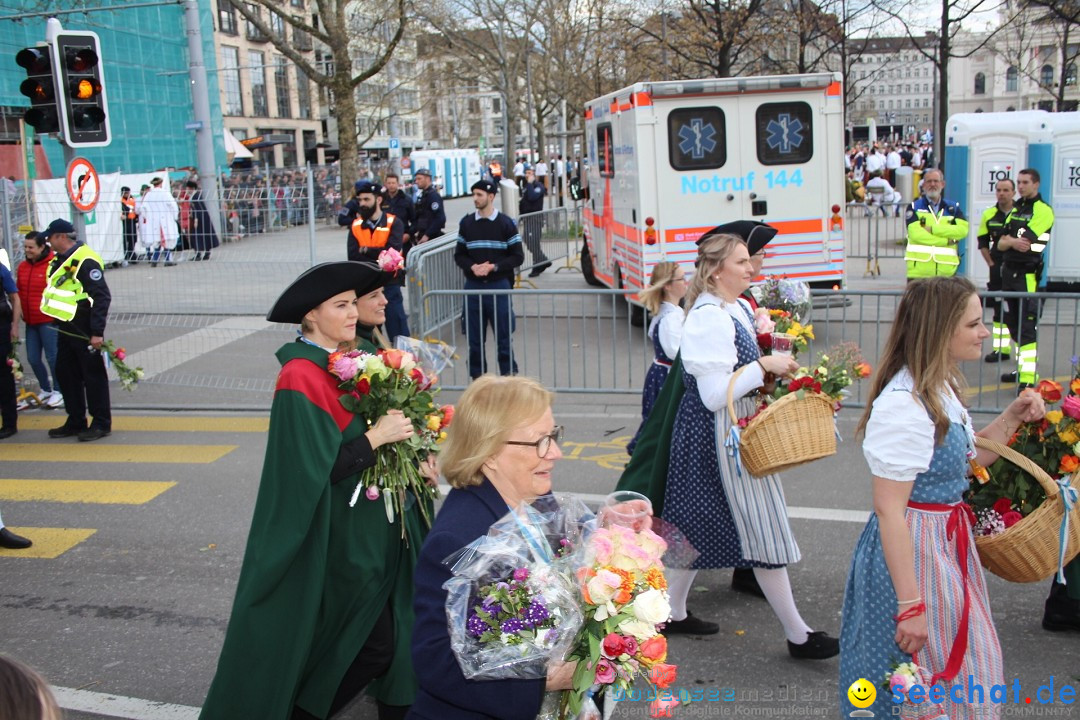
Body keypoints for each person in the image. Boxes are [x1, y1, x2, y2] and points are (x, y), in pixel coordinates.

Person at [200, 261, 431, 720]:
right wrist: (375, 438)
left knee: (361, 641)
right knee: (367, 647)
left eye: (352, 303)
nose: (353, 313)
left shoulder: (354, 357)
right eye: (341, 305)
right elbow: (310, 472)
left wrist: (415, 453)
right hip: (337, 540)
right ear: (311, 316)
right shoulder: (299, 377)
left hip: (373, 532)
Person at [839, 276, 1045, 719]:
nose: (985, 332)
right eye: (973, 324)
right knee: (922, 675)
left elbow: (967, 459)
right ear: (940, 330)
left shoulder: (938, 388)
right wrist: (911, 606)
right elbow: (890, 509)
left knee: (961, 666)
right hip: (916, 550)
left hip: (943, 545)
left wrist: (1011, 417)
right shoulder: (904, 405)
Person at [654, 233, 838, 658]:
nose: (751, 268)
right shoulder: (707, 318)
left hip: (726, 434)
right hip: (716, 439)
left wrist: (768, 372)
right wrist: (762, 365)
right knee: (762, 527)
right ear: (717, 270)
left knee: (693, 531)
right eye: (741, 262)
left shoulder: (733, 307)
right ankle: (799, 635)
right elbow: (714, 395)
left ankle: (669, 614)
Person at [407, 375, 576, 720]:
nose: (556, 452)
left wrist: (613, 530)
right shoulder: (459, 538)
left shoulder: (536, 500)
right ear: (491, 453)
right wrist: (543, 681)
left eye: (554, 435)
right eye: (540, 441)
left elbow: (569, 561)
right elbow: (437, 660)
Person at [37, 220, 112, 442]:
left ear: (61, 237)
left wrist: (97, 332)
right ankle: (76, 420)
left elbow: (102, 297)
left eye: (50, 237)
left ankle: (100, 423)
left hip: (85, 327)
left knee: (92, 376)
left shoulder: (85, 260)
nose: (48, 241)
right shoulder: (61, 260)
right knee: (66, 374)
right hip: (67, 327)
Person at [454, 180, 524, 379]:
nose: (475, 199)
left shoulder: (505, 223)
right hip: (473, 287)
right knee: (474, 339)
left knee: (503, 337)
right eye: (473, 194)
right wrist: (472, 267)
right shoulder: (466, 223)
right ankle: (478, 379)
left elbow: (517, 256)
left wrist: (494, 267)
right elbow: (459, 254)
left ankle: (509, 376)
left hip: (498, 285)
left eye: (479, 195)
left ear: (491, 196)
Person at [997, 168, 1054, 389]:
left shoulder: (1043, 210)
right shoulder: (1016, 208)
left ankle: (1028, 378)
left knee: (1027, 328)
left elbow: (1025, 243)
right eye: (1018, 182)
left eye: (1025, 182)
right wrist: (1011, 241)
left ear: (1036, 184)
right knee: (1013, 325)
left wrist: (1010, 241)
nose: (1020, 187)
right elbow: (1000, 243)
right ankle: (1021, 369)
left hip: (1027, 276)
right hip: (1008, 274)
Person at [626, 261, 686, 456]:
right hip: (665, 377)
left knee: (661, 425)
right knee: (659, 426)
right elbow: (676, 353)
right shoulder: (669, 318)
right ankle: (642, 465)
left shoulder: (672, 312)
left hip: (664, 374)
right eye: (682, 279)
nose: (686, 282)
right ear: (667, 285)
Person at [342, 181, 409, 341]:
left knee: (398, 332)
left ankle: (405, 362)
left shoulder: (394, 223)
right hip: (367, 286)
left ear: (378, 200)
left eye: (366, 199)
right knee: (369, 335)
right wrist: (380, 255)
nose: (362, 204)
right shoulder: (356, 225)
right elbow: (353, 256)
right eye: (360, 200)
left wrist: (366, 250)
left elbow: (392, 253)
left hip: (390, 282)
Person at [15, 232, 62, 410]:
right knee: (33, 358)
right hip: (30, 321)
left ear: (42, 247)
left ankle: (59, 390)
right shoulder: (23, 267)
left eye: (31, 247)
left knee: (52, 357)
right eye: (25, 247)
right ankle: (46, 388)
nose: (27, 250)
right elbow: (18, 291)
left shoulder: (52, 265)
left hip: (47, 320)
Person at [976, 178, 1016, 364]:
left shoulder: (1021, 213)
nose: (1002, 193)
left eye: (1006, 190)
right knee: (999, 309)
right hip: (997, 269)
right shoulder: (989, 214)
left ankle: (1021, 349)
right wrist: (991, 264)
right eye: (999, 190)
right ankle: (1001, 349)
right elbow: (983, 242)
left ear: (1013, 193)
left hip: (1019, 269)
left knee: (1020, 311)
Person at [904, 169, 968, 280]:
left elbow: (962, 231)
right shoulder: (914, 207)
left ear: (942, 184)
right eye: (929, 181)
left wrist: (933, 229)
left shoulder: (953, 208)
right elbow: (916, 234)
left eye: (936, 181)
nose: (932, 184)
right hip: (919, 273)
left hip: (946, 272)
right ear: (923, 185)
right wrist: (946, 241)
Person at [137, 177, 180, 267]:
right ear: (161, 183)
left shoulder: (149, 195)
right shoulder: (165, 193)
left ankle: (155, 260)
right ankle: (168, 260)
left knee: (157, 241)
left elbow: (143, 208)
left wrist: (147, 218)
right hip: (166, 220)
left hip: (154, 221)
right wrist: (174, 216)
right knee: (167, 240)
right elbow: (173, 205)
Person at [0, 260, 21, 440]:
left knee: (4, 377)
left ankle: (9, 423)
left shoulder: (1, 269)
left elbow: (14, 297)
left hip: (1, 326)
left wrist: (14, 325)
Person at [518, 166, 551, 278]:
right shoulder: (526, 186)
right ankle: (542, 260)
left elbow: (532, 197)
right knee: (528, 240)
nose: (528, 175)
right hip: (528, 219)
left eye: (530, 173)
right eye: (527, 173)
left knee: (533, 242)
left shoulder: (538, 186)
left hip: (535, 219)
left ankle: (538, 265)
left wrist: (530, 183)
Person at [186, 180, 220, 262]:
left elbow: (199, 209)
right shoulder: (194, 196)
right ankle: (200, 253)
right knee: (198, 236)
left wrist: (196, 219)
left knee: (199, 236)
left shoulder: (196, 196)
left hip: (200, 219)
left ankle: (202, 253)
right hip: (198, 218)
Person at [411, 168, 445, 248]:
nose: (416, 182)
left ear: (428, 179)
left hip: (432, 238)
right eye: (416, 179)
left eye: (419, 179)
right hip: (423, 235)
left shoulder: (433, 196)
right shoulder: (423, 195)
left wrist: (427, 235)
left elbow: (440, 218)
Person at [384, 173, 416, 254]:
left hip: (403, 239)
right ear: (385, 184)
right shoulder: (381, 200)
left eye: (393, 183)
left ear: (398, 184)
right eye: (389, 183)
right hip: (385, 239)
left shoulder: (406, 200)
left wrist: (409, 234)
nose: (391, 185)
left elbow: (414, 220)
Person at [120, 186, 138, 266]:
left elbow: (135, 209)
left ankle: (132, 255)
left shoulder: (132, 199)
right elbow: (126, 209)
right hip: (125, 222)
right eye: (126, 193)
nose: (128, 194)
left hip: (132, 221)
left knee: (133, 239)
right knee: (125, 240)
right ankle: (127, 256)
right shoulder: (121, 200)